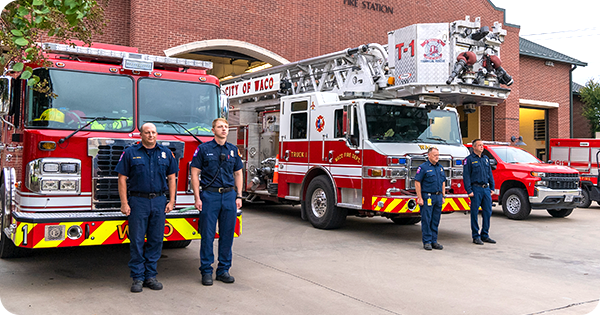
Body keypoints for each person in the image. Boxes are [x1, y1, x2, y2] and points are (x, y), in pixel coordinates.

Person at [115, 122, 178, 293]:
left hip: (159, 201)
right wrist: (124, 203)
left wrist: (172, 201)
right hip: (138, 201)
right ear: (141, 135)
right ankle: (137, 277)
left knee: (156, 240)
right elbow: (122, 179)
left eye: (153, 132)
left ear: (157, 134)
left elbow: (172, 178)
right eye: (147, 132)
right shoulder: (130, 153)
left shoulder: (166, 154)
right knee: (136, 240)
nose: (151, 135)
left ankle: (150, 276)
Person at [190, 118, 243, 286]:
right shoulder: (204, 149)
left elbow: (238, 174)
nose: (223, 129)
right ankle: (206, 271)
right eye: (220, 127)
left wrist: (239, 196)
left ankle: (223, 270)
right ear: (213, 130)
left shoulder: (233, 150)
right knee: (207, 235)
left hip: (229, 196)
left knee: (227, 235)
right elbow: (194, 173)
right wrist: (197, 197)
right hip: (209, 196)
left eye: (226, 127)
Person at [463, 139, 496, 245]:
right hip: (476, 189)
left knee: (487, 212)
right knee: (474, 213)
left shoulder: (486, 159)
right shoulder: (469, 160)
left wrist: (492, 187)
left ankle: (485, 235)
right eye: (479, 145)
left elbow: (489, 174)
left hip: (486, 189)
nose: (482, 147)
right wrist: (469, 190)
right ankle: (475, 236)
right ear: (474, 147)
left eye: (482, 145)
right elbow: (466, 176)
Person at [414, 147, 446, 250]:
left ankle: (434, 241)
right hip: (427, 196)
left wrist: (443, 195)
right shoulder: (423, 168)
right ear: (429, 155)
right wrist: (419, 198)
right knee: (426, 219)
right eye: (435, 155)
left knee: (435, 220)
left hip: (438, 196)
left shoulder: (440, 167)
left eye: (438, 155)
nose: (437, 157)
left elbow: (443, 182)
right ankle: (427, 241)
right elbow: (417, 182)